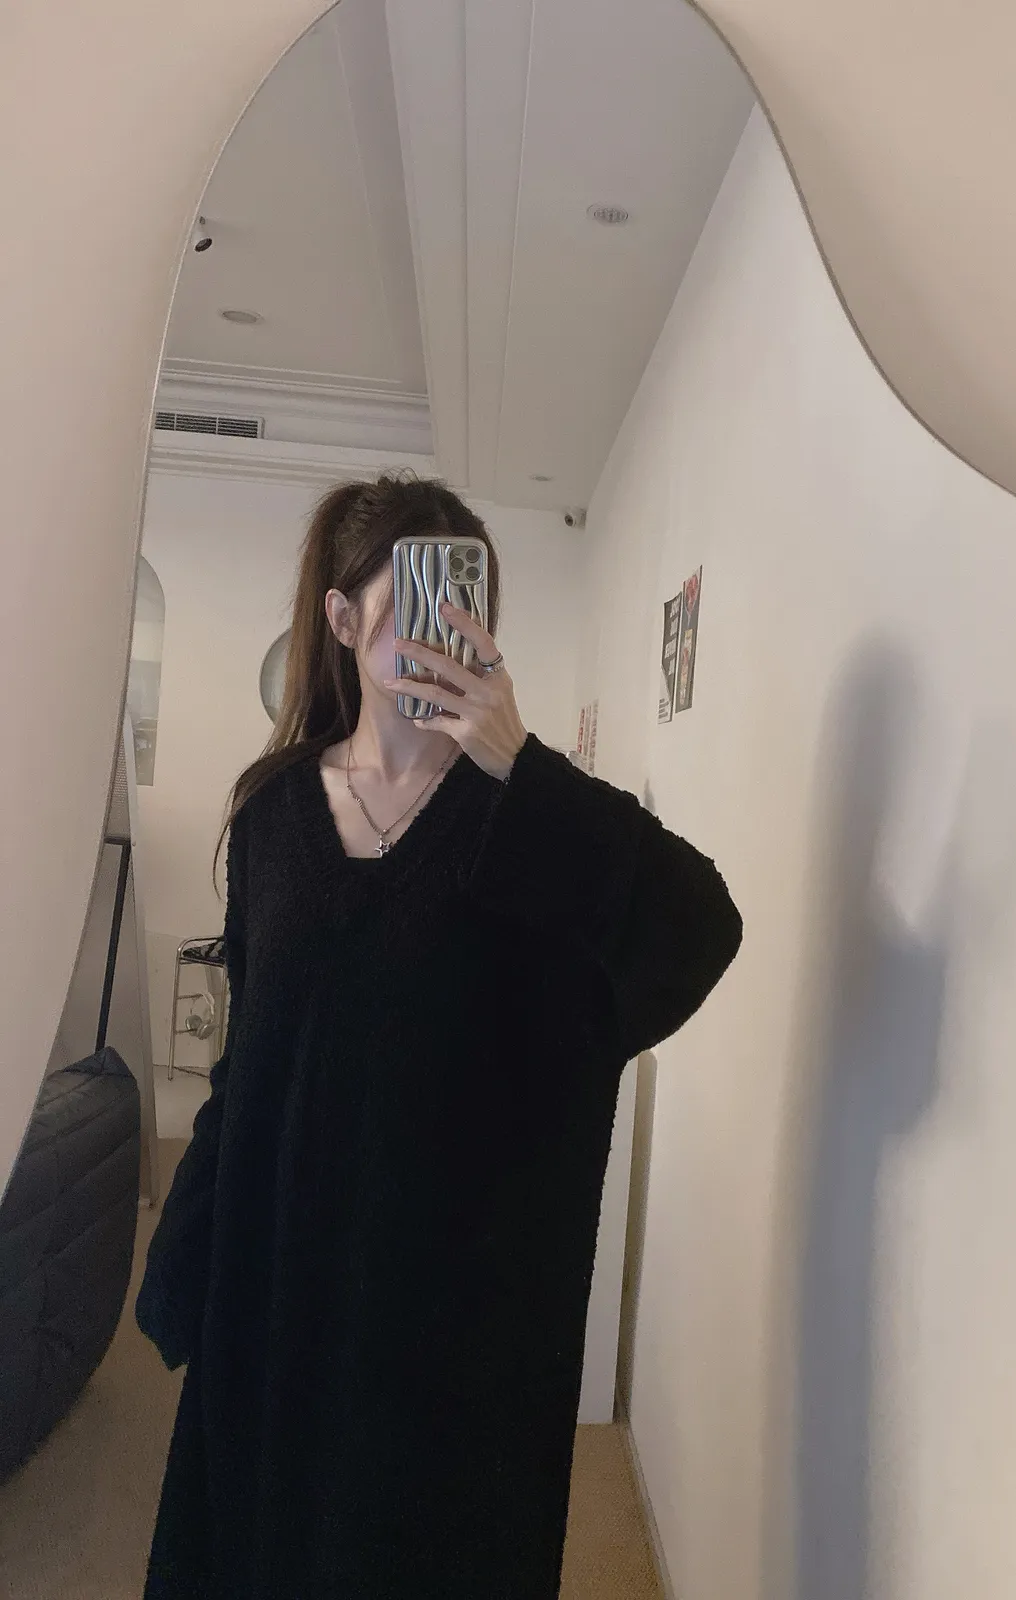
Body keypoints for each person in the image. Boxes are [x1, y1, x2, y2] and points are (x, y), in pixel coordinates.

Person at [135, 472, 744, 1598]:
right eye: (415, 596)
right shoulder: (273, 813)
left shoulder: (522, 815)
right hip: (284, 1292)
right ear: (342, 617)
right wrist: (191, 1252)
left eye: (469, 600)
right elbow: (249, 1060)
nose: (445, 625)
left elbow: (698, 930)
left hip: (453, 1323)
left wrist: (521, 764)